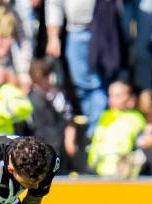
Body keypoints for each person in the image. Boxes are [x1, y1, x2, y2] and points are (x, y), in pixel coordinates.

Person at [45, 0, 107, 137]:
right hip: (75, 30)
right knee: (82, 85)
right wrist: (53, 37)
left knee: (97, 85)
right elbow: (54, 5)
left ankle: (96, 132)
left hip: (103, 27)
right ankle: (94, 131)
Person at [87, 80, 146, 176]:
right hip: (98, 174)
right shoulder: (104, 116)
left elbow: (139, 150)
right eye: (110, 96)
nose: (111, 100)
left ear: (132, 99)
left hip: (124, 177)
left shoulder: (137, 120)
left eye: (117, 96)